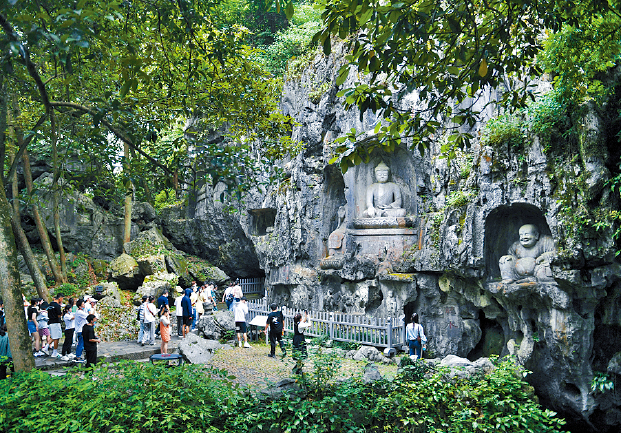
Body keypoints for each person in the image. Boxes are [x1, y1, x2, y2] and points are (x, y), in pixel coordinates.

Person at [48, 294, 63, 359]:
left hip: (50, 322)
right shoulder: (57, 306)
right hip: (56, 322)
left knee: (54, 337)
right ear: (60, 298)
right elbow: (59, 315)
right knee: (56, 337)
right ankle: (55, 352)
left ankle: (45, 347)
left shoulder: (50, 304)